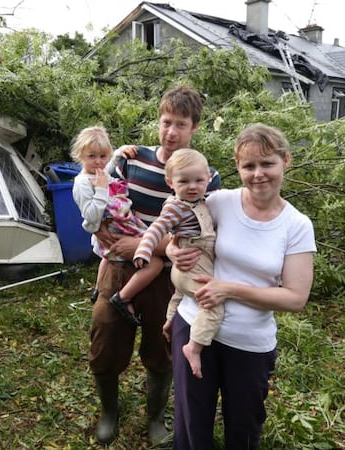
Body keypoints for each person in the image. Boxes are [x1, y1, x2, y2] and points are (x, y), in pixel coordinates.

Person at [167, 123, 316, 449]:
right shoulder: (220, 202)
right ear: (238, 168)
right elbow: (176, 231)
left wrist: (229, 289)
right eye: (248, 166)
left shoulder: (297, 225)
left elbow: (295, 298)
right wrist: (172, 250)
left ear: (285, 161)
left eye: (267, 163)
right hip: (194, 325)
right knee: (191, 423)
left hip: (249, 344)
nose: (258, 173)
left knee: (244, 428)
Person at [88, 86, 221, 445]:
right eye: (166, 122)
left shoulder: (205, 175)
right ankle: (109, 413)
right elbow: (97, 196)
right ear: (158, 122)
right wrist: (107, 236)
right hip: (119, 267)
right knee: (105, 337)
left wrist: (150, 246)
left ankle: (156, 418)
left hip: (170, 279)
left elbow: (198, 233)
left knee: (162, 349)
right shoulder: (130, 160)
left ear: (195, 127)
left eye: (181, 124)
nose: (172, 132)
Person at [133, 148, 217, 380]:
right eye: (184, 181)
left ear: (208, 178)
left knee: (179, 295)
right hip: (193, 263)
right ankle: (195, 347)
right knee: (213, 305)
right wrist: (144, 250)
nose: (192, 186)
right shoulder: (175, 207)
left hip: (183, 272)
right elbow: (156, 229)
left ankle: (170, 322)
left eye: (199, 180)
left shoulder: (202, 200)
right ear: (171, 182)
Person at [69, 126, 164, 326]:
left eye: (103, 156)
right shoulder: (82, 183)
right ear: (80, 156)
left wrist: (121, 151)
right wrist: (102, 189)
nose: (98, 161)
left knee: (105, 256)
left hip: (122, 224)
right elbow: (91, 214)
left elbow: (110, 167)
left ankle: (97, 290)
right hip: (116, 230)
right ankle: (123, 298)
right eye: (91, 156)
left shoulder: (102, 171)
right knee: (156, 264)